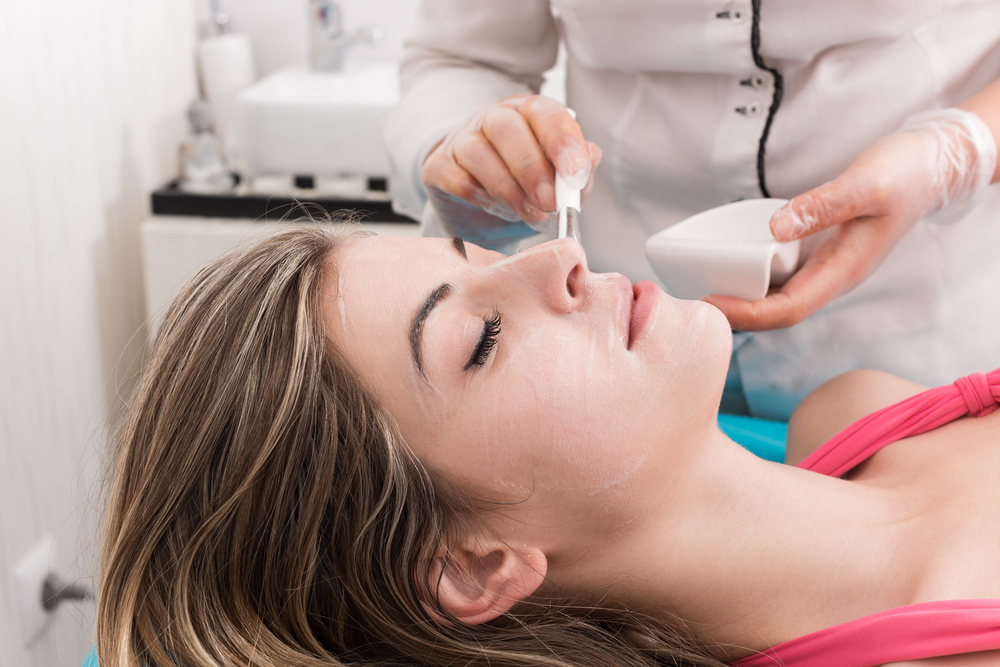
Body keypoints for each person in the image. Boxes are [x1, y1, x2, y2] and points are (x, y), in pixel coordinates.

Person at [97, 226, 1000, 667]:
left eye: (476, 247)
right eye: (481, 338)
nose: (557, 253)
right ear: (473, 563)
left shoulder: (856, 408)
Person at [383, 0, 1000, 420]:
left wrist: (958, 152)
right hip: (624, 350)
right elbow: (460, 58)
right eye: (475, 345)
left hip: (919, 327)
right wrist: (467, 155)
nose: (554, 280)